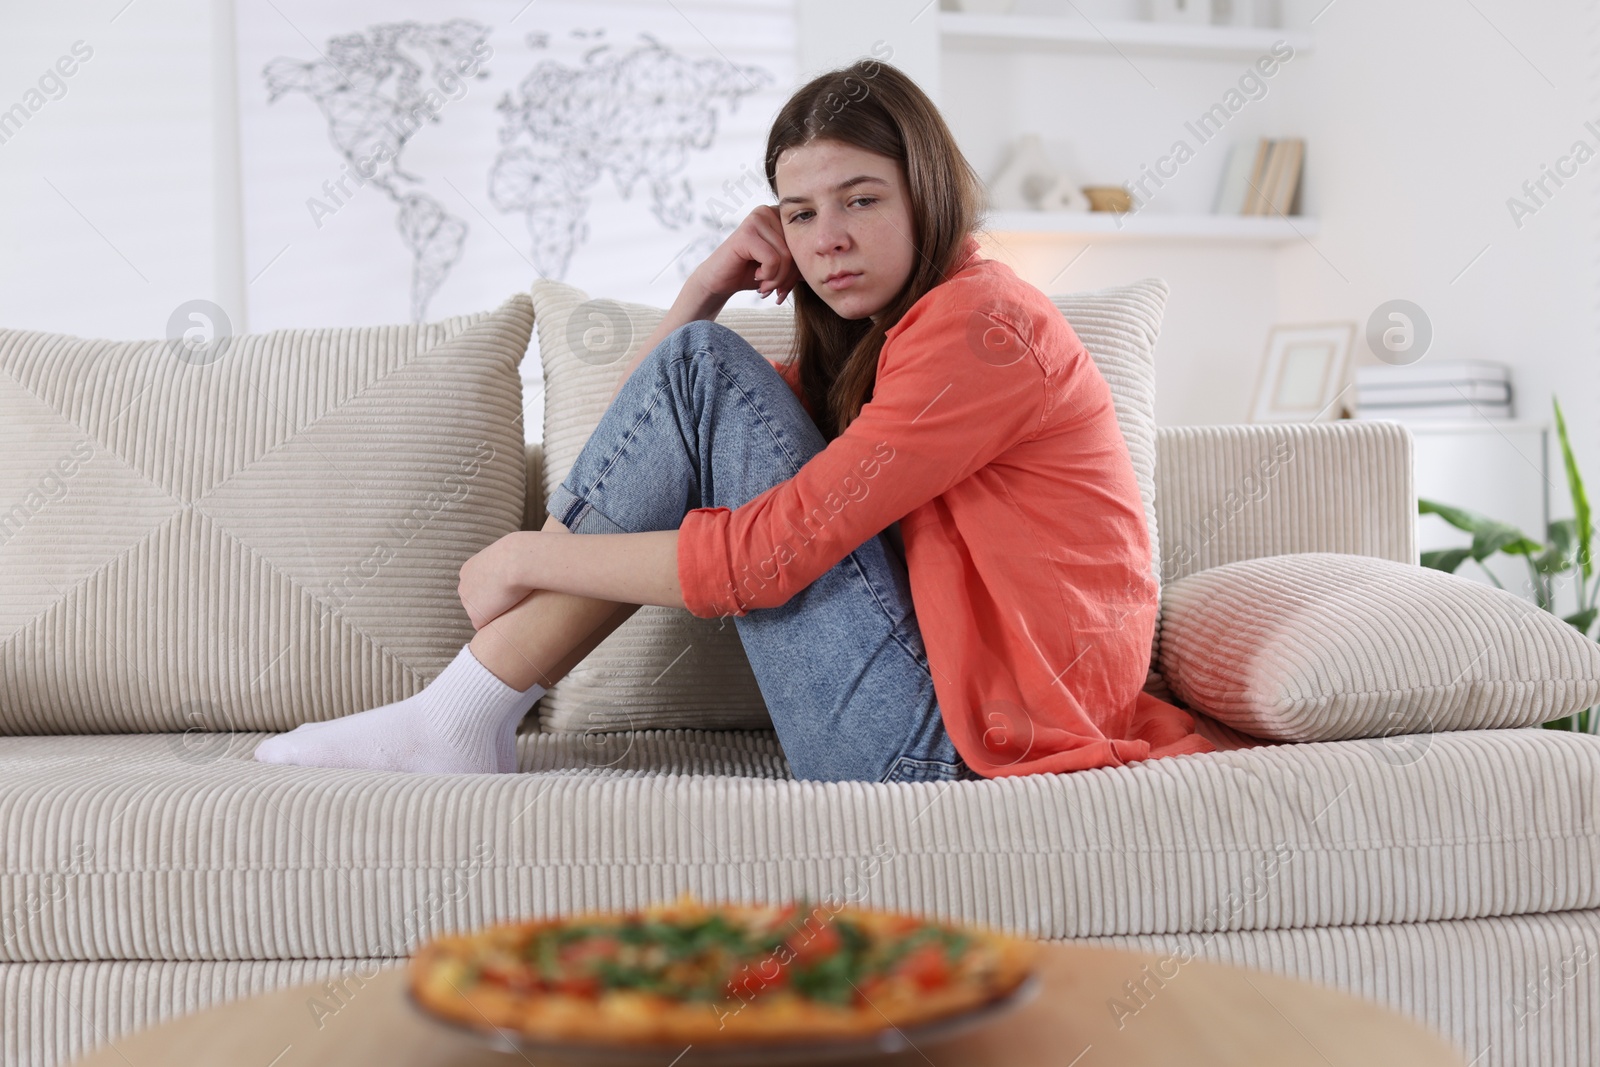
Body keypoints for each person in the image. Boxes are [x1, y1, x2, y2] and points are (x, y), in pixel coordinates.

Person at [254, 58, 1217, 780]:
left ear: (927, 190)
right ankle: (464, 713)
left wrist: (529, 558)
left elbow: (769, 556)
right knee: (698, 364)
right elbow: (665, 419)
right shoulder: (896, 339)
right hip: (936, 722)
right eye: (799, 214)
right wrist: (707, 283)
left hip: (946, 751)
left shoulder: (982, 328)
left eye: (860, 199)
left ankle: (460, 712)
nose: (827, 237)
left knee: (705, 372)